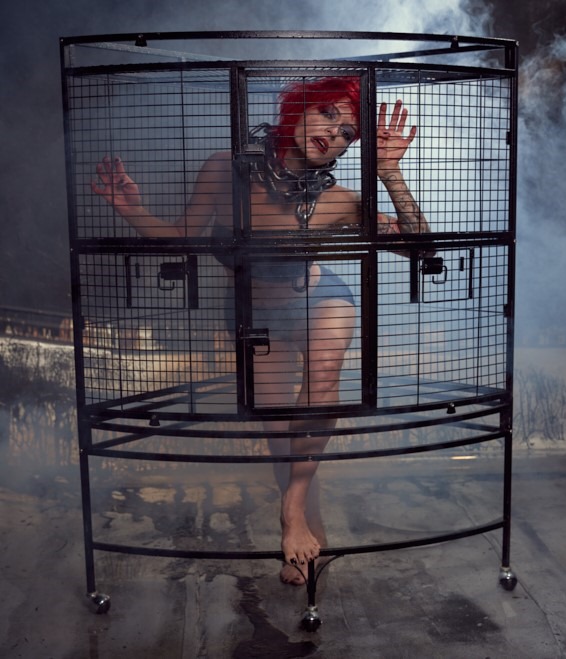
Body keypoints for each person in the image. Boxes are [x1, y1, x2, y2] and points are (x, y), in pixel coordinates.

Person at [92, 77, 432, 585]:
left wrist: (389, 173)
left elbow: (421, 246)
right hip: (257, 312)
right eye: (327, 114)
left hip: (319, 297)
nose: (333, 133)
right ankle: (309, 522)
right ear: (298, 108)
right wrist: (132, 211)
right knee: (280, 429)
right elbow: (183, 235)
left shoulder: (338, 200)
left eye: (347, 132)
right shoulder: (223, 171)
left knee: (324, 370)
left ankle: (290, 514)